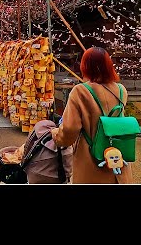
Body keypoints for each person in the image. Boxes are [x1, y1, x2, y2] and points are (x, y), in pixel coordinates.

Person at [51, 46, 134, 184]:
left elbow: (70, 129)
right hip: (117, 157)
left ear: (85, 67)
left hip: (91, 160)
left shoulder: (80, 91)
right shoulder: (121, 90)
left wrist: (56, 135)